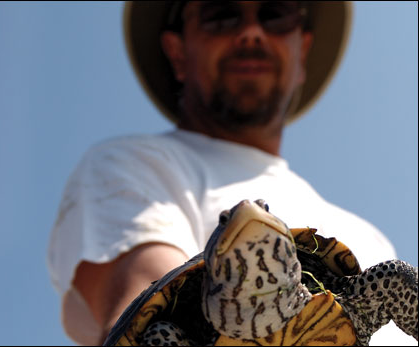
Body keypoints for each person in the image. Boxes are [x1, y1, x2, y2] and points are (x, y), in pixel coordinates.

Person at [47, 2, 415, 345]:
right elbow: (139, 304)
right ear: (177, 52)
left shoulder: (371, 238)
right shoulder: (131, 165)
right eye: (221, 13)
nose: (251, 32)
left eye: (276, 13)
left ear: (302, 50)